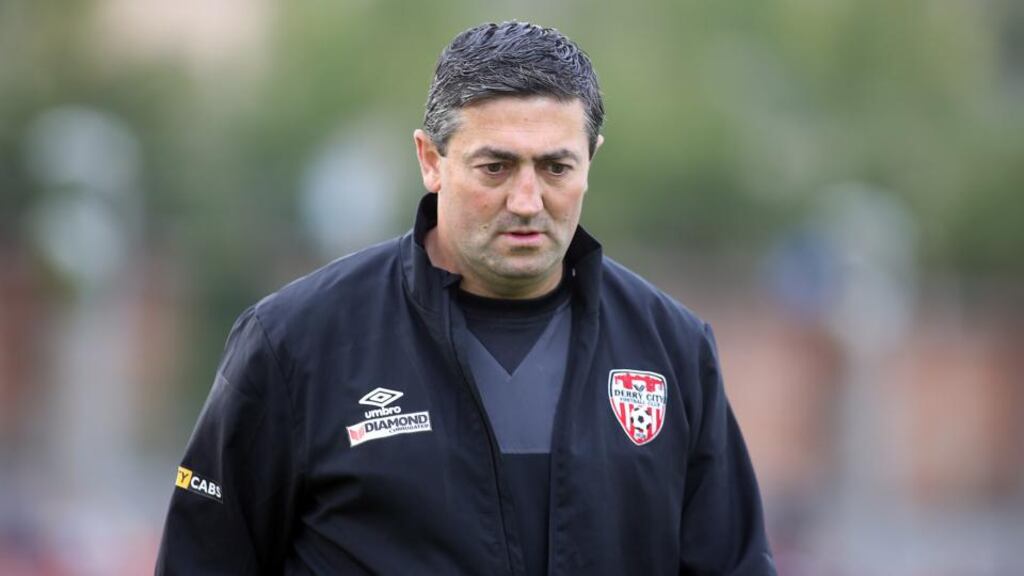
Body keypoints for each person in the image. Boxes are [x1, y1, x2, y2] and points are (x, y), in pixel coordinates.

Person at [156, 21, 776, 576]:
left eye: (556, 168)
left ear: (591, 161)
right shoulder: (294, 343)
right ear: (431, 160)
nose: (527, 201)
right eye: (496, 168)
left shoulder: (672, 350)